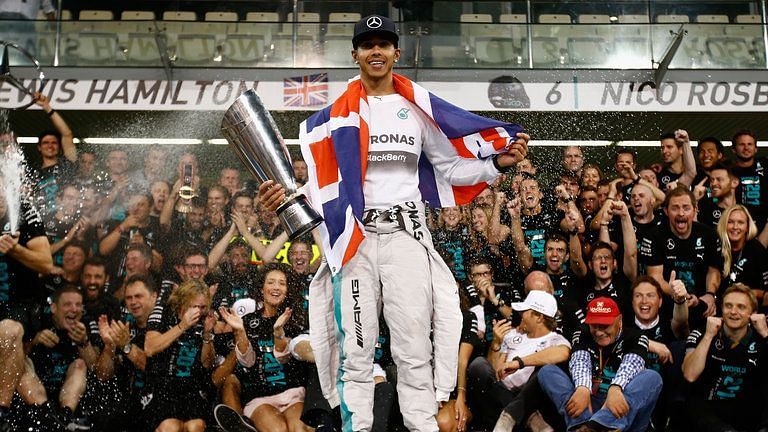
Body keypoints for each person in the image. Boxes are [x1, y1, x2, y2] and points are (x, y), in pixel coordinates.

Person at [259, 13, 528, 432]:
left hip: (406, 237)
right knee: (358, 350)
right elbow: (320, 190)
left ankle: (422, 426)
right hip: (355, 240)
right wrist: (285, 197)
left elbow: (451, 170)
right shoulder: (329, 121)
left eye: (383, 44)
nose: (376, 51)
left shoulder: (416, 109)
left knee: (412, 347)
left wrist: (495, 163)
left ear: (396, 53)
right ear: (356, 55)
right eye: (368, 45)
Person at [538, 296, 662, 432]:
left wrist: (616, 387)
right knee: (547, 371)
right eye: (594, 325)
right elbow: (580, 360)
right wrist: (582, 388)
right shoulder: (581, 332)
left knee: (652, 377)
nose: (598, 332)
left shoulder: (636, 336)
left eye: (604, 325)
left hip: (619, 406)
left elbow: (631, 364)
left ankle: (602, 425)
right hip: (586, 403)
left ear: (619, 321)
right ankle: (582, 425)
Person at [213, 263, 310, 432]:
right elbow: (247, 361)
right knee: (277, 430)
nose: (276, 287)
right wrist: (241, 331)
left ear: (288, 290)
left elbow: (286, 355)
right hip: (260, 396)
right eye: (271, 282)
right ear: (261, 288)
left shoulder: (297, 320)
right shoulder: (249, 321)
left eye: (282, 283)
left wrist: (278, 332)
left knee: (300, 429)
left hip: (293, 393)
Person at [468, 290, 570, 431]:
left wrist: (519, 362)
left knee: (543, 369)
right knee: (478, 365)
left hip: (533, 400)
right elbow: (495, 371)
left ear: (539, 317)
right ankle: (528, 419)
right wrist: (496, 344)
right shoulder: (512, 335)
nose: (520, 315)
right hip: (502, 396)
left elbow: (563, 353)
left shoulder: (555, 339)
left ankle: (516, 415)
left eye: (525, 311)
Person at [0, 183, 52, 431]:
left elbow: (45, 264)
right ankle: (48, 421)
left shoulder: (25, 211)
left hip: (22, 305)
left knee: (9, 332)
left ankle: (2, 413)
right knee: (33, 391)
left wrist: (16, 249)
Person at [681, 284, 768, 432]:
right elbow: (690, 375)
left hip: (749, 412)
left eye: (741, 307)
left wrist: (766, 334)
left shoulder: (762, 337)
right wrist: (709, 336)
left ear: (753, 313)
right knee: (693, 402)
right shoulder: (702, 333)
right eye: (728, 306)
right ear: (721, 309)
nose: (733, 312)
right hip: (710, 415)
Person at [143, 279, 217, 432]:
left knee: (195, 426)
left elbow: (207, 364)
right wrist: (182, 326)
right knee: (171, 427)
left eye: (202, 307)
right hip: (161, 385)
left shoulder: (206, 318)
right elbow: (150, 348)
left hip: (191, 387)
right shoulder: (164, 311)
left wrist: (207, 334)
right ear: (182, 302)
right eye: (194, 306)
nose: (198, 311)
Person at [644, 187, 722, 328]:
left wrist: (710, 294)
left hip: (702, 304)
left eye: (686, 208)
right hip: (668, 305)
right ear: (666, 211)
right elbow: (655, 278)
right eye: (675, 208)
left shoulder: (709, 234)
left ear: (695, 210)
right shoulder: (654, 236)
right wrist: (679, 295)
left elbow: (714, 270)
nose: (681, 213)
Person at [716, 205, 768, 303]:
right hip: (720, 306)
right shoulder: (715, 247)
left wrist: (750, 293)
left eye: (740, 222)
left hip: (750, 307)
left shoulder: (757, 250)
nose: (735, 227)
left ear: (747, 227)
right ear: (724, 225)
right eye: (730, 222)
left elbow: (766, 293)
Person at [730, 129, 767, 230]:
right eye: (741, 144)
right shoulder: (727, 172)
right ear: (733, 149)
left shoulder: (765, 167)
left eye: (750, 144)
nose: (746, 148)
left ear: (755, 149)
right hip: (736, 227)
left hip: (764, 226)